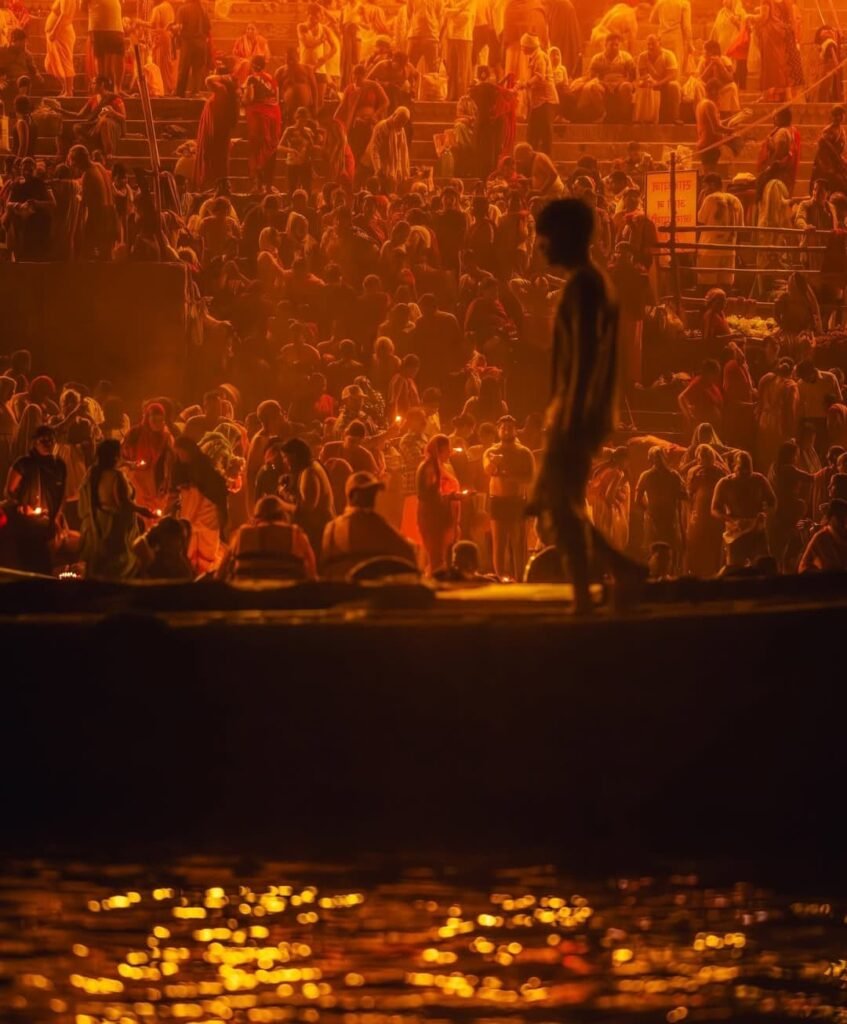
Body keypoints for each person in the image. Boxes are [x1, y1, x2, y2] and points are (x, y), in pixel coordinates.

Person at [530, 198, 645, 613]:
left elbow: (581, 364)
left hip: (577, 414)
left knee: (562, 507)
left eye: (545, 235)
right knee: (566, 504)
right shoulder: (592, 283)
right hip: (582, 412)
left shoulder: (584, 287)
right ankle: (620, 572)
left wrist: (564, 420)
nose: (540, 245)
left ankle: (586, 595)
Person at [321, 469, 417, 578]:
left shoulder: (331, 529)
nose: (371, 496)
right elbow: (408, 552)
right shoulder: (377, 526)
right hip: (369, 591)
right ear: (354, 495)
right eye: (368, 492)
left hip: (342, 591)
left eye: (373, 492)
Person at [78, 438, 148, 579]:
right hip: (114, 525)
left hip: (96, 522)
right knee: (118, 565)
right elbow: (123, 502)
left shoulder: (92, 472)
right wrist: (143, 511)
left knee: (98, 563)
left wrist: (128, 464)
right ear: (115, 455)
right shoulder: (117, 476)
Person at [5, 424, 66, 575]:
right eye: (43, 440)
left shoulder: (59, 465)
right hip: (27, 524)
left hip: (48, 523)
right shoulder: (24, 463)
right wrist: (21, 505)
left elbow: (62, 493)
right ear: (35, 442)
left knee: (47, 565)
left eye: (51, 440)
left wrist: (58, 517)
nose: (48, 444)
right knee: (29, 564)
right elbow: (9, 491)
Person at [482, 414, 534, 578]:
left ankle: (520, 577)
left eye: (510, 428)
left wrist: (510, 474)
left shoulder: (524, 452)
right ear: (498, 430)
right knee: (499, 542)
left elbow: (530, 477)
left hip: (516, 501)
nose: (506, 431)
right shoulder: (491, 451)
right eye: (503, 428)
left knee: (517, 543)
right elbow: (487, 471)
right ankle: (498, 577)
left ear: (515, 431)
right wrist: (495, 463)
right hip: (497, 500)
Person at [218, 494, 316, 581]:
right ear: (284, 516)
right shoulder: (296, 535)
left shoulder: (242, 536)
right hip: (286, 598)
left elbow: (220, 574)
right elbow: (311, 575)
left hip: (248, 598)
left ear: (256, 519)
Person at [170, 436, 229, 573]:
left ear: (189, 450)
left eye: (181, 453)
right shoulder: (182, 468)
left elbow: (213, 491)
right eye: (177, 454)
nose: (179, 457)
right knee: (190, 550)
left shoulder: (203, 468)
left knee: (207, 552)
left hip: (207, 514)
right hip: (192, 514)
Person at [711, 449, 776, 567]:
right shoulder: (725, 483)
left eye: (748, 468)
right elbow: (715, 509)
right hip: (735, 534)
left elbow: (773, 502)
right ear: (734, 466)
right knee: (735, 571)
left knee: (762, 568)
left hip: (757, 532)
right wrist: (731, 520)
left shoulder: (759, 480)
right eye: (742, 468)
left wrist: (765, 514)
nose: (745, 472)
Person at [280, 435, 335, 557]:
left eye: (285, 457)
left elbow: (306, 507)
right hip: (319, 531)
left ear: (294, 456)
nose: (284, 461)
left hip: (318, 533)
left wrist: (284, 496)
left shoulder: (309, 472)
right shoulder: (311, 466)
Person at [634, 445, 686, 569]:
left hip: (667, 517)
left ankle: (664, 576)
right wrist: (649, 511)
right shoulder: (650, 476)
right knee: (657, 548)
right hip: (658, 517)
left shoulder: (673, 475)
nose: (658, 461)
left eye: (659, 458)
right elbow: (637, 500)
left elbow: (683, 495)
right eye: (656, 458)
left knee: (666, 548)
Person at [416, 432, 460, 573]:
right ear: (438, 450)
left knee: (441, 556)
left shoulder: (439, 465)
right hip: (432, 516)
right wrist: (453, 496)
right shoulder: (429, 467)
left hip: (438, 515)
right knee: (436, 558)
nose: (450, 452)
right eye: (447, 449)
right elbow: (430, 496)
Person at [67, 144, 118, 260]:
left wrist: (77, 195)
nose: (73, 167)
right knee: (106, 255)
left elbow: (83, 202)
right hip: (110, 213)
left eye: (73, 163)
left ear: (79, 162)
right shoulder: (98, 166)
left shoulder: (88, 174)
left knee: (90, 254)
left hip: (99, 218)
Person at [193, 68, 239, 190]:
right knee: (220, 160)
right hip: (220, 133)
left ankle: (214, 186)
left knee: (213, 160)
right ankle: (218, 185)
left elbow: (208, 80)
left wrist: (223, 77)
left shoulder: (222, 91)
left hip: (215, 133)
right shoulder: (229, 94)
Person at [685, 442, 726, 575]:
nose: (701, 460)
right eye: (701, 457)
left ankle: (714, 571)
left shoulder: (720, 471)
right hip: (699, 513)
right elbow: (689, 491)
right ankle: (695, 571)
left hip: (714, 514)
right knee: (697, 542)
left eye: (704, 457)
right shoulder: (695, 471)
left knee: (713, 543)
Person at [575, 33, 636, 123]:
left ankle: (624, 116)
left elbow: (632, 74)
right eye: (612, 45)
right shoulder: (597, 58)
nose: (615, 47)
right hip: (603, 83)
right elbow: (592, 75)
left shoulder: (626, 56)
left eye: (617, 45)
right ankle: (602, 113)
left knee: (626, 86)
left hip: (621, 82)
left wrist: (627, 81)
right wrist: (600, 82)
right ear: (605, 45)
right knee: (592, 87)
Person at [3, 156, 55, 261]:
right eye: (24, 169)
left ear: (34, 169)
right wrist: (17, 205)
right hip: (20, 217)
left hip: (36, 217)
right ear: (21, 169)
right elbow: (8, 203)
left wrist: (36, 203)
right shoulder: (17, 184)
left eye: (29, 170)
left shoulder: (40, 184)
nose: (26, 173)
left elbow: (51, 203)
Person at [751, 0, 803, 101]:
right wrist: (795, 36)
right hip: (785, 32)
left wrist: (750, 18)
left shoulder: (766, 1)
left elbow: (764, 16)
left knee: (772, 65)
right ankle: (786, 94)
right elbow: (792, 19)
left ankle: (770, 94)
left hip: (772, 33)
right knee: (784, 64)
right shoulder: (788, 3)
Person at [244, 56, 282, 193]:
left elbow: (250, 98)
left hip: (259, 115)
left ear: (253, 65)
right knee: (271, 147)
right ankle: (268, 185)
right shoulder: (273, 79)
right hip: (274, 115)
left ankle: (259, 185)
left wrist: (241, 99)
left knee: (258, 148)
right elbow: (277, 99)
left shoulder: (251, 79)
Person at [518, 32, 558, 154]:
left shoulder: (540, 56)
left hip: (545, 101)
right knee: (532, 132)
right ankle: (531, 157)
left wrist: (525, 84)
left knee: (545, 133)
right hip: (537, 102)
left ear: (529, 46)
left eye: (523, 46)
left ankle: (546, 158)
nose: (522, 48)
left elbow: (539, 77)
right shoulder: (534, 57)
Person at [362, 106, 410, 193]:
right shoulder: (381, 127)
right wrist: (378, 169)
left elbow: (402, 151)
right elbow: (374, 150)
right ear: (394, 115)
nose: (401, 125)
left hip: (388, 171)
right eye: (400, 121)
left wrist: (403, 170)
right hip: (373, 167)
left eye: (403, 123)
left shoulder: (400, 130)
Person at [756, 106, 801, 198]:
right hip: (783, 173)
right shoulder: (790, 131)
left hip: (777, 173)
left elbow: (779, 154)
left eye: (776, 117)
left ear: (783, 118)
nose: (774, 119)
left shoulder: (782, 132)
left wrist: (769, 145)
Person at [635, 34, 680, 124]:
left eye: (653, 44)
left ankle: (675, 117)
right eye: (648, 44)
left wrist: (658, 83)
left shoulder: (668, 55)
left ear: (660, 43)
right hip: (650, 82)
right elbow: (643, 74)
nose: (650, 47)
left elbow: (672, 75)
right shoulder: (642, 56)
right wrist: (649, 80)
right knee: (641, 84)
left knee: (674, 86)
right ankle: (644, 118)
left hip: (665, 82)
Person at [798, 497, 847, 571]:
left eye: (845, 518)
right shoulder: (821, 538)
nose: (843, 522)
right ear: (830, 518)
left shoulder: (842, 536)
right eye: (839, 517)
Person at [174, 0, 210, 97]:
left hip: (188, 43)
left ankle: (180, 94)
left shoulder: (183, 9)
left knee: (184, 69)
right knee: (197, 71)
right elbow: (208, 28)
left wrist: (172, 29)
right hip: (201, 44)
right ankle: (195, 93)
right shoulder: (203, 9)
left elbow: (179, 27)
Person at [87, 0, 123, 90]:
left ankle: (116, 88)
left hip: (111, 22)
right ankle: (106, 87)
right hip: (101, 22)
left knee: (117, 55)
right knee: (102, 56)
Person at [443, 0, 476, 101]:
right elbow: (445, 12)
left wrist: (452, 12)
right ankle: (451, 95)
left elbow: (465, 18)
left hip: (464, 38)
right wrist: (460, 9)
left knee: (463, 71)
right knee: (451, 69)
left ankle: (462, 97)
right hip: (451, 37)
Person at [44, 0, 76, 96]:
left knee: (65, 62)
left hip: (61, 33)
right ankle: (66, 87)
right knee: (49, 64)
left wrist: (55, 31)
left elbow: (64, 14)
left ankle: (69, 91)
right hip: (56, 34)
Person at [649, 0, 692, 72]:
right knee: (675, 69)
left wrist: (664, 22)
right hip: (676, 39)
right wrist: (690, 43)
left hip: (661, 38)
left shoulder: (660, 2)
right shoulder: (684, 3)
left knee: (662, 69)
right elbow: (686, 26)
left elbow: (652, 20)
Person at [147, 0, 175, 95]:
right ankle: (168, 88)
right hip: (168, 37)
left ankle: (162, 89)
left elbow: (153, 24)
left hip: (160, 38)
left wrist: (139, 22)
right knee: (167, 64)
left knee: (159, 65)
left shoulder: (157, 9)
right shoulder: (169, 6)